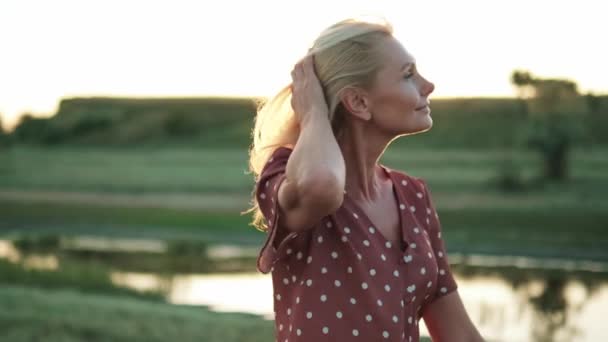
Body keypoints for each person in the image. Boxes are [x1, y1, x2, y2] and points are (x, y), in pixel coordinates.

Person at [246, 17, 484, 342]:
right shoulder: (291, 173)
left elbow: (459, 334)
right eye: (408, 75)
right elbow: (321, 185)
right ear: (358, 102)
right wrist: (313, 109)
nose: (428, 85)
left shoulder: (413, 196)